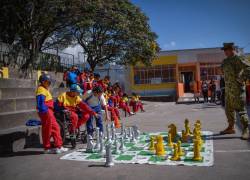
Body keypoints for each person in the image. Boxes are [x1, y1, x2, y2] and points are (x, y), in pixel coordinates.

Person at [220, 42, 250, 140]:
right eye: (224, 50)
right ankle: (231, 127)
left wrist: (241, 78)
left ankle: (246, 129)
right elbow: (223, 71)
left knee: (241, 111)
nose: (224, 52)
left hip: (237, 90)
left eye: (226, 50)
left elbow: (248, 68)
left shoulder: (238, 58)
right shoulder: (225, 61)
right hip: (228, 90)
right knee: (228, 110)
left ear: (232, 49)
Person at [36, 74, 68, 154]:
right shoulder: (41, 89)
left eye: (50, 82)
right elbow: (40, 102)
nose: (50, 83)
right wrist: (45, 112)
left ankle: (59, 146)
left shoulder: (45, 89)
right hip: (46, 112)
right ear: (43, 82)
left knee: (56, 128)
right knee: (47, 130)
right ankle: (47, 148)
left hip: (49, 111)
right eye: (48, 82)